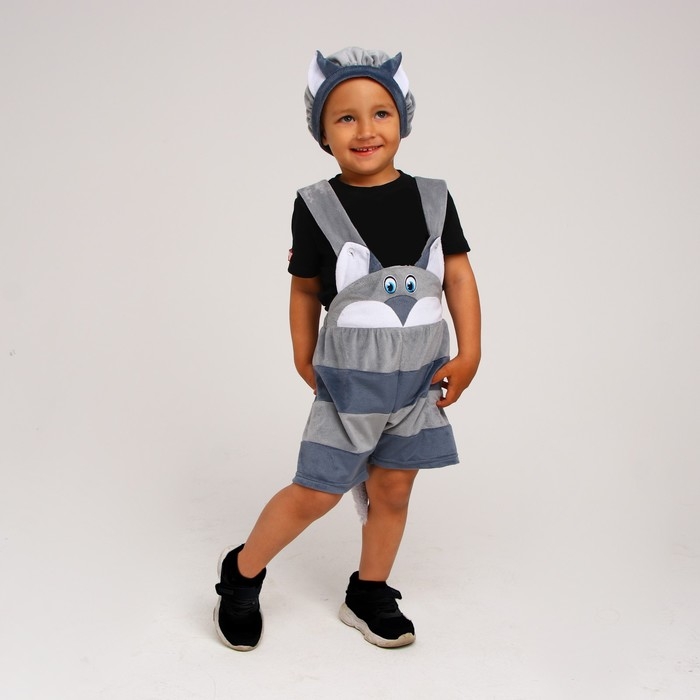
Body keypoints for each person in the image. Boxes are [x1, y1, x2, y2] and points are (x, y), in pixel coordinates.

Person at [214, 47, 481, 651]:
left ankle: (369, 590)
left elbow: (459, 277)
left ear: (403, 119)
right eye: (345, 118)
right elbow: (305, 287)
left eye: (381, 113)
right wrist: (302, 354)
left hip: (419, 380)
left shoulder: (434, 197)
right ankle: (242, 573)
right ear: (322, 133)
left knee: (393, 489)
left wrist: (470, 353)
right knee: (318, 490)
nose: (366, 130)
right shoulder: (316, 205)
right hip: (349, 383)